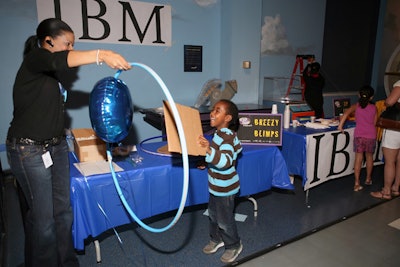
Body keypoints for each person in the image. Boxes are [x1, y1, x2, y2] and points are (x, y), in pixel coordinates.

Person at [6, 18, 131, 267]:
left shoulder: (52, 77)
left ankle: (66, 262)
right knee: (44, 221)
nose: (71, 49)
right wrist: (103, 54)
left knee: (63, 213)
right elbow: (57, 59)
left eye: (73, 44)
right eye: (67, 44)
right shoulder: (36, 59)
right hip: (29, 150)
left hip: (56, 147)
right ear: (48, 41)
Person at [197, 99, 243, 264]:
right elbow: (216, 157)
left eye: (218, 110)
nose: (212, 113)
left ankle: (233, 245)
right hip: (216, 186)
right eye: (213, 109)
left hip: (226, 187)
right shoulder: (217, 134)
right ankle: (216, 239)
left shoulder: (228, 138)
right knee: (213, 215)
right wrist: (206, 161)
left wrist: (208, 150)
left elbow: (225, 161)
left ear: (228, 118)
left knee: (225, 220)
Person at [338, 85, 377, 191]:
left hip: (359, 135)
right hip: (371, 135)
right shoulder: (374, 108)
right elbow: (374, 122)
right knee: (369, 158)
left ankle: (356, 183)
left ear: (359, 95)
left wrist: (340, 126)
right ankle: (368, 179)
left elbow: (346, 113)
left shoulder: (356, 106)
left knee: (358, 159)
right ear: (371, 97)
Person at [371, 80, 400, 200]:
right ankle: (396, 188)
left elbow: (390, 101)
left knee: (390, 161)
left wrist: (387, 103)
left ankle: (386, 191)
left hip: (395, 127)